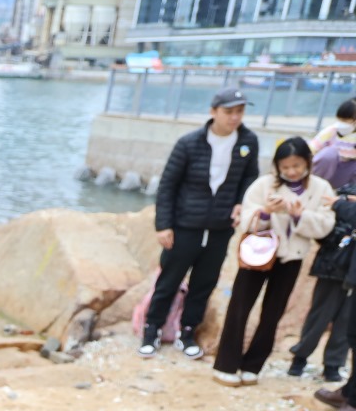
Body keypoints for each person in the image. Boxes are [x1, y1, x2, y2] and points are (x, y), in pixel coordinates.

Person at [143, 89, 262, 359]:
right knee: (169, 280)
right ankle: (152, 329)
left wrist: (241, 202)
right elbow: (168, 185)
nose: (235, 117)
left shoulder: (248, 141)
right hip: (185, 225)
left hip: (220, 227)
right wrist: (164, 225)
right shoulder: (189, 143)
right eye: (229, 112)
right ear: (213, 112)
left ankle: (187, 332)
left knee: (204, 283)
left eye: (240, 112)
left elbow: (250, 177)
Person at [213, 137, 336, 386]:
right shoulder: (263, 184)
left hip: (291, 258)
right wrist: (266, 212)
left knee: (273, 314)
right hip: (258, 254)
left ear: (307, 163)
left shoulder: (321, 188)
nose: (291, 171)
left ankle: (253, 366)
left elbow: (325, 226)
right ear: (277, 166)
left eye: (296, 165)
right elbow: (246, 221)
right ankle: (226, 364)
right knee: (239, 308)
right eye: (285, 167)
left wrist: (299, 215)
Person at [288, 182, 356, 382]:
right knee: (319, 316)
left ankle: (333, 364)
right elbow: (323, 230)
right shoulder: (342, 194)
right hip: (331, 266)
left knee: (347, 320)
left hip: (352, 272)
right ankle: (300, 356)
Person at [310, 99, 356, 189]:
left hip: (346, 176)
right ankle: (313, 185)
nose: (341, 123)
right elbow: (311, 148)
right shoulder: (331, 131)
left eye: (345, 120)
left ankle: (348, 192)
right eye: (340, 119)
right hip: (328, 172)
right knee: (329, 153)